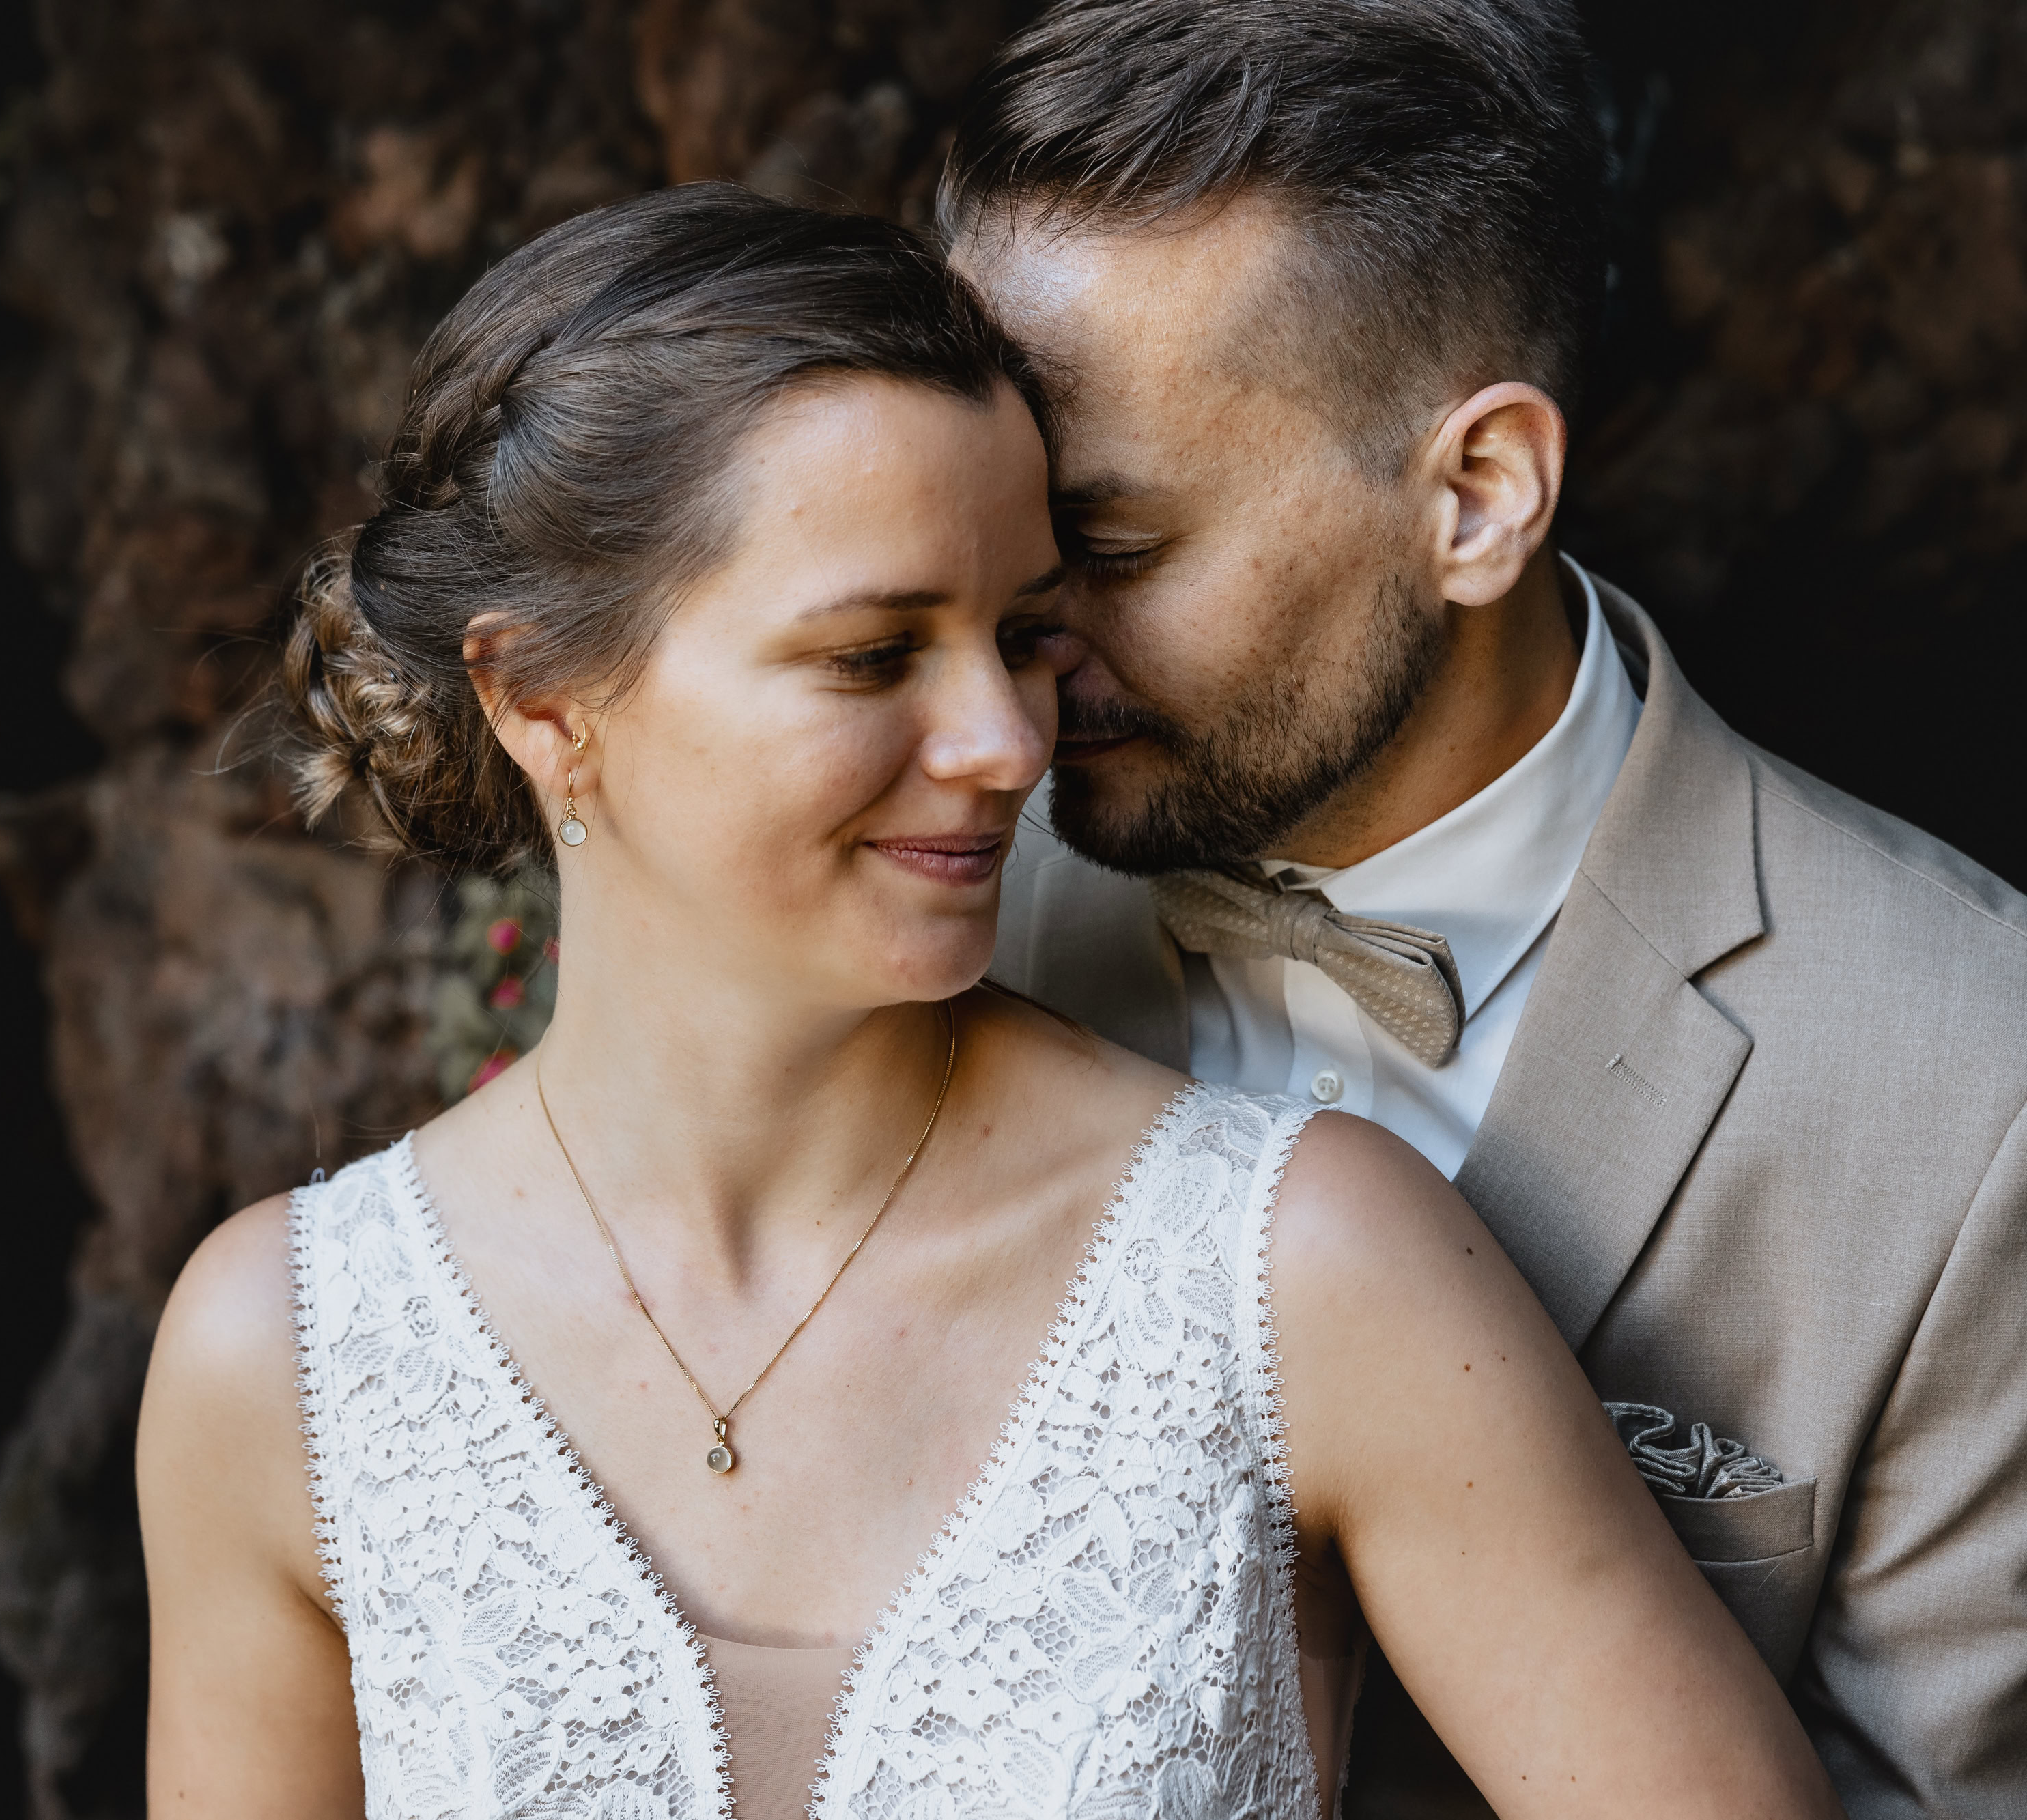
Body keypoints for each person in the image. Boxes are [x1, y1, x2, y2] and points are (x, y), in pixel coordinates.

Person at [134, 183, 1836, 1820]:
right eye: (873, 654)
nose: (1007, 742)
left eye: (1022, 635)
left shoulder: (1300, 1270)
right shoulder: (279, 1357)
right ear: (539, 700)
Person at [945, 2, 2027, 1815]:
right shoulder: (936, 902)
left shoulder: (1976, 1094)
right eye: (995, 548)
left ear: (1476, 494)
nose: (1013, 662)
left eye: (1111, 550)